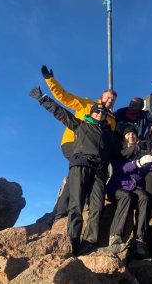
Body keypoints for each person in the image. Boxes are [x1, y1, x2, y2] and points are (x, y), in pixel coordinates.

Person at [29, 87, 119, 256]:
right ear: (92, 113)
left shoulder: (109, 136)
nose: (99, 115)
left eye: (102, 114)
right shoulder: (80, 125)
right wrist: (43, 99)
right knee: (76, 204)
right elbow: (61, 113)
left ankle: (90, 240)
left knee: (97, 206)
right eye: (97, 113)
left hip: (99, 171)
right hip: (81, 165)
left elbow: (123, 150)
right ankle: (73, 239)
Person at [41, 65, 117, 221]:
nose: (110, 101)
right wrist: (50, 80)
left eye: (113, 99)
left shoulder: (112, 119)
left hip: (94, 151)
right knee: (78, 171)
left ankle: (83, 206)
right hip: (73, 142)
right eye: (108, 97)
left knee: (88, 173)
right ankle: (61, 213)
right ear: (101, 97)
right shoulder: (87, 104)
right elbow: (64, 97)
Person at [106, 125, 152, 258]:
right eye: (128, 134)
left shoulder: (142, 152)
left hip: (135, 188)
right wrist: (137, 163)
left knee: (144, 197)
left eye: (133, 134)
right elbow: (118, 168)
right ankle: (115, 236)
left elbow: (144, 172)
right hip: (117, 186)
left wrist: (148, 166)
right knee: (125, 196)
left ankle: (140, 238)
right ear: (124, 137)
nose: (131, 136)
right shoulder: (119, 151)